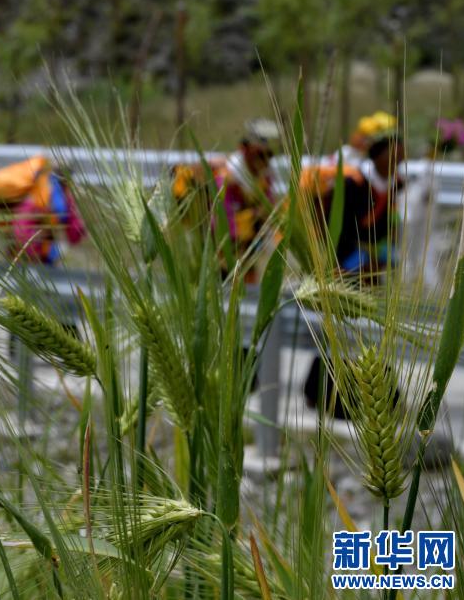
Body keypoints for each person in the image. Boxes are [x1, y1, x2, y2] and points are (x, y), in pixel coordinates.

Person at [301, 113, 406, 417]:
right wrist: (358, 262)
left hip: (371, 272)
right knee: (341, 332)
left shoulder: (392, 185)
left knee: (368, 334)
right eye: (395, 150)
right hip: (346, 270)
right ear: (379, 152)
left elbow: (387, 228)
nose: (400, 157)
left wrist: (384, 258)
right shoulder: (352, 185)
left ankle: (371, 398)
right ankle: (329, 397)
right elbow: (337, 232)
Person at [301, 112, 404, 275]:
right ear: (377, 155)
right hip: (343, 255)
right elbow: (332, 225)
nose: (397, 160)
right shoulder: (353, 185)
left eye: (400, 155)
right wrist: (355, 259)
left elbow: (387, 223)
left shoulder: (394, 185)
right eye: (393, 154)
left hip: (370, 256)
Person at [172, 118, 282, 258]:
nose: (264, 161)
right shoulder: (226, 179)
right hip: (214, 249)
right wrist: (254, 218)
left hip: (242, 249)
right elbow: (220, 226)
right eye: (259, 154)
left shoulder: (264, 179)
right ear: (245, 150)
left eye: (269, 155)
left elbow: (269, 213)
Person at [0, 153, 85, 266]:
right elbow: (75, 233)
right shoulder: (53, 196)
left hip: (20, 251)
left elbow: (20, 229)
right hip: (37, 255)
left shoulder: (37, 191)